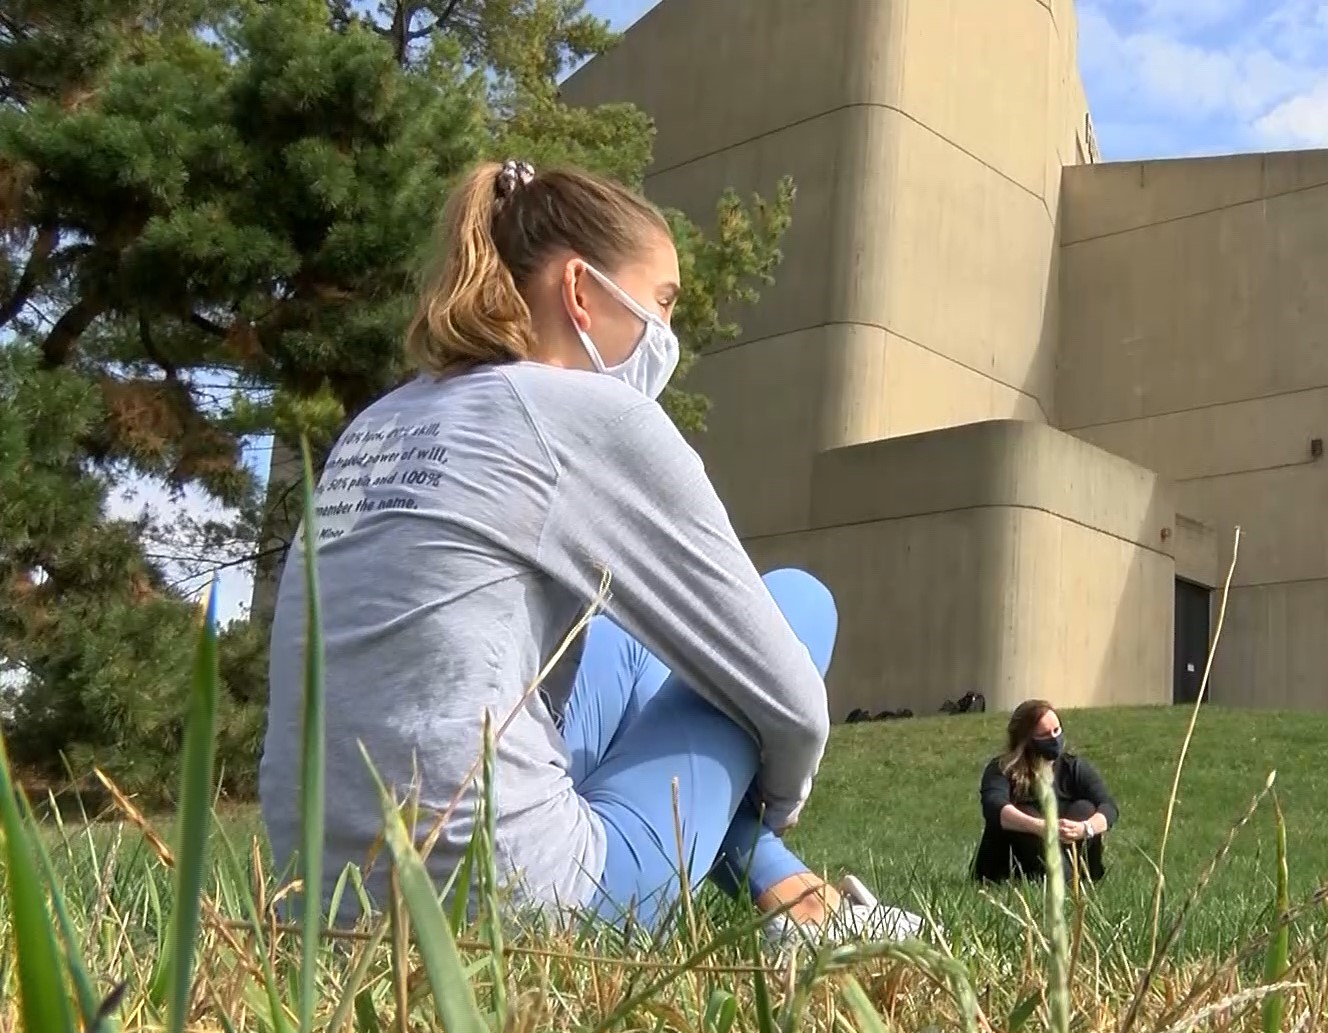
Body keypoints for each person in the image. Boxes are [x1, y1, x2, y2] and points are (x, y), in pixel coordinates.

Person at [259, 159, 923, 951]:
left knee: (635, 639)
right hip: (515, 911)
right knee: (799, 601)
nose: (666, 337)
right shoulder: (586, 410)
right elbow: (789, 700)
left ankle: (796, 902)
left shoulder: (374, 426)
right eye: (662, 302)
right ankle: (795, 900)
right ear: (580, 291)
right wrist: (755, 794)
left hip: (320, 907)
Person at [972, 699, 1118, 884]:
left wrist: (1084, 828)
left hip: (1068, 852)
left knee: (1085, 808)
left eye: (1056, 731)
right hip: (1017, 862)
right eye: (1045, 735)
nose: (1054, 739)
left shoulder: (1073, 767)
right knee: (1022, 813)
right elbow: (994, 806)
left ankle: (1078, 877)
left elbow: (1108, 806)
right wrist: (1042, 827)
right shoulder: (1001, 770)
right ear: (1026, 739)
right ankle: (1057, 878)